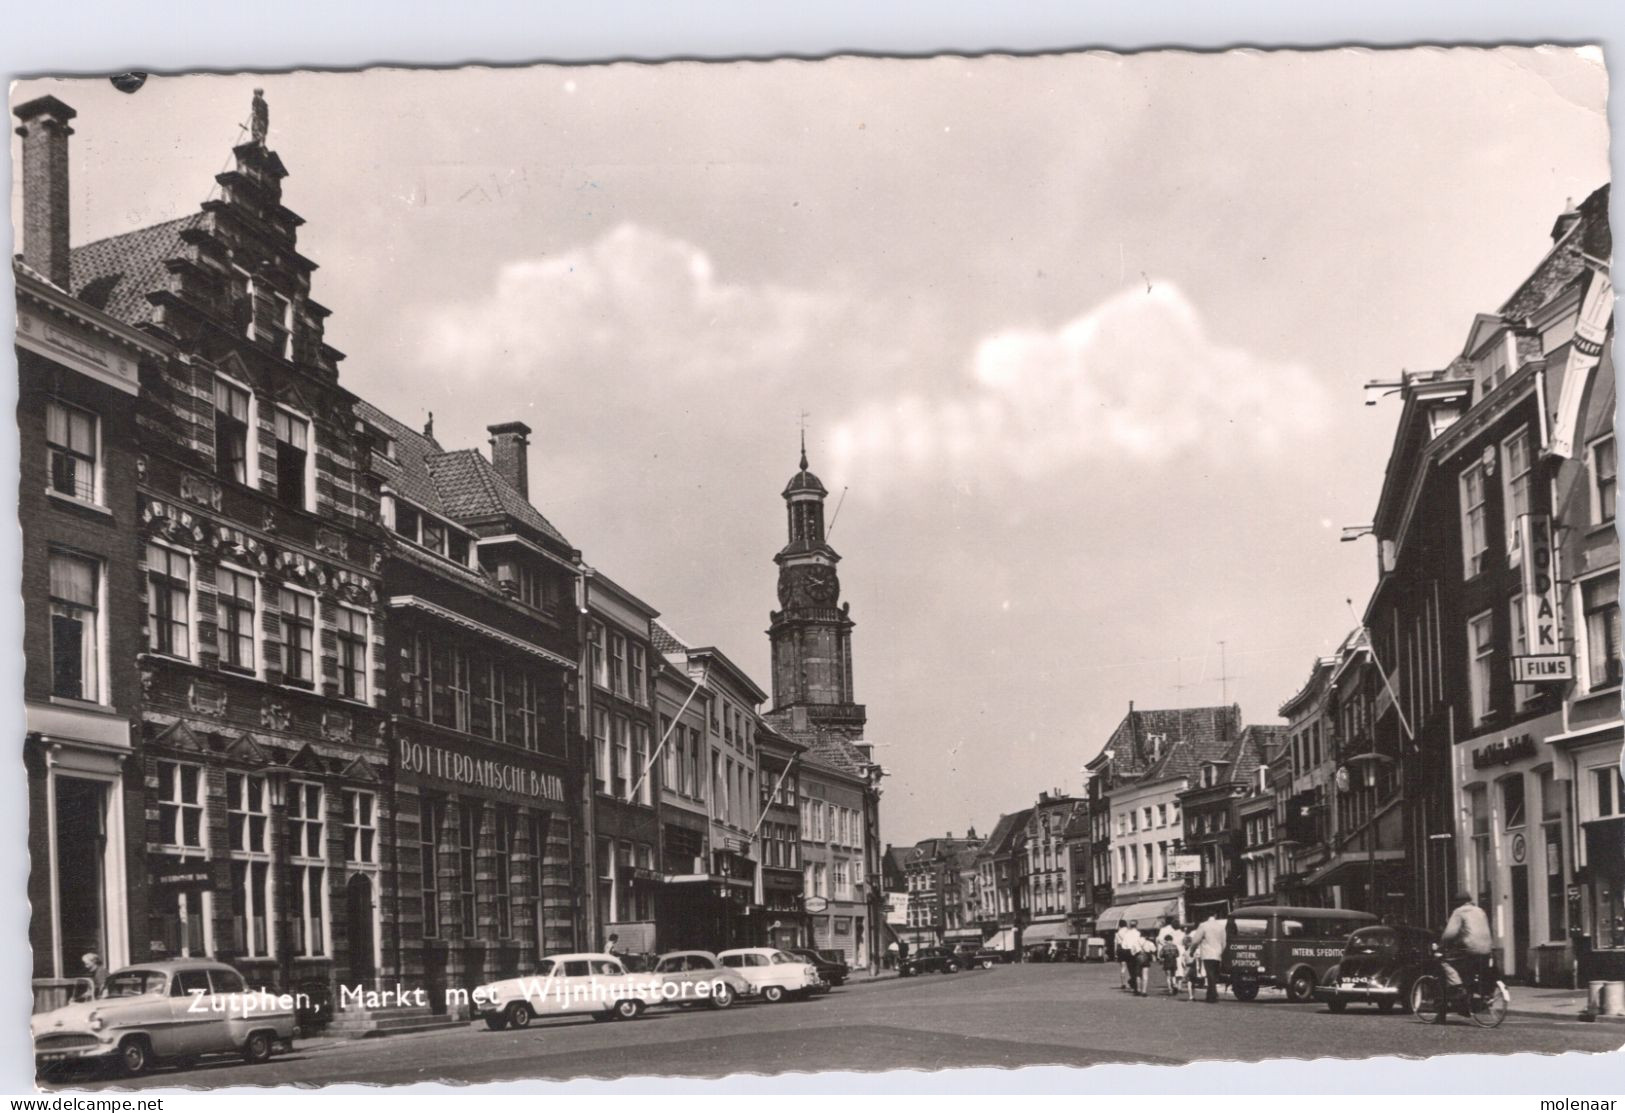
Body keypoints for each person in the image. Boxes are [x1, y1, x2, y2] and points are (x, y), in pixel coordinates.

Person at [1435, 891, 1494, 1024]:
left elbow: (1449, 934)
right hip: (1486, 951)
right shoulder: (1480, 911)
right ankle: (1466, 1000)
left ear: (1457, 902)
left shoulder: (1459, 911)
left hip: (1470, 950)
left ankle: (1457, 987)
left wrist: (1441, 947)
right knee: (1469, 973)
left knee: (1444, 962)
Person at [1188, 912, 1228, 1003]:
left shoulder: (1203, 925)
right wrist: (1222, 951)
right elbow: (1224, 942)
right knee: (1214, 974)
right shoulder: (1221, 926)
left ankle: (1212, 996)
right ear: (1215, 915)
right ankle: (1212, 994)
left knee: (1210, 975)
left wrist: (1192, 950)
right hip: (1218, 953)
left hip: (1207, 953)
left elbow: (1196, 940)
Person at [1156, 918, 1187, 996]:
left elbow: (1160, 940)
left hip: (1171, 953)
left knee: (1172, 972)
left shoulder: (1170, 933)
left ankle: (1173, 985)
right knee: (1180, 968)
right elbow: (1185, 942)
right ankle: (1179, 985)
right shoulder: (1183, 934)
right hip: (1180, 951)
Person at [1119, 920, 1147, 995]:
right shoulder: (1139, 933)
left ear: (1130, 925)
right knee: (1138, 969)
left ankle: (1135, 986)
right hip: (1137, 952)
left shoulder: (1127, 934)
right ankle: (1139, 987)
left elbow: (1123, 945)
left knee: (1131, 970)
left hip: (1128, 952)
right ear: (1137, 925)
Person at [1113, 920, 1132, 991]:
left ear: (1120, 925)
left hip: (1120, 950)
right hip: (1128, 949)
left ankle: (1123, 983)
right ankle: (1132, 981)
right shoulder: (1128, 932)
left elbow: (1115, 944)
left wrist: (1115, 953)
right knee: (1130, 967)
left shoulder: (1117, 933)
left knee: (1123, 967)